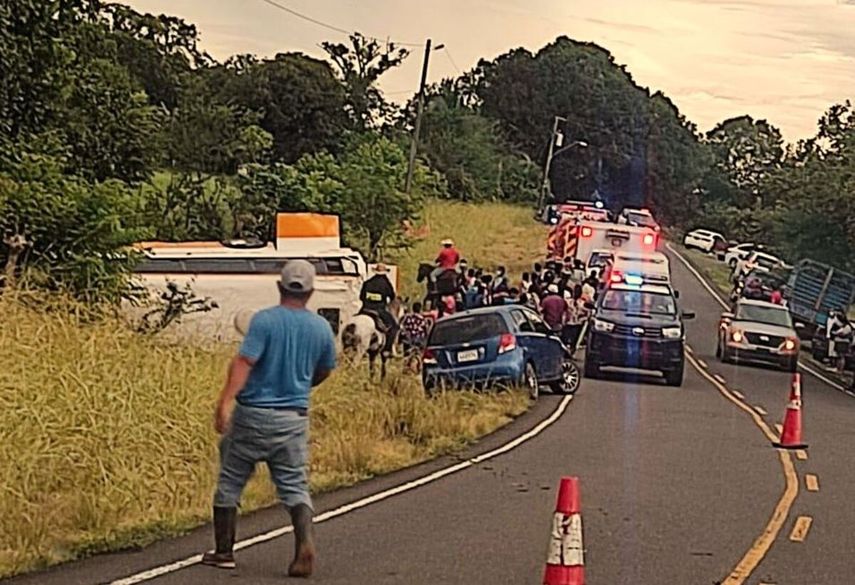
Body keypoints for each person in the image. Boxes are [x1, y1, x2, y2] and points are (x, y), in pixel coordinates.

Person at [203, 260, 336, 577]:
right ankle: (304, 543)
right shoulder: (320, 328)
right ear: (310, 291)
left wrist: (224, 401)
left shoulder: (264, 321)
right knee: (294, 485)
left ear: (281, 286)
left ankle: (224, 552)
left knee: (231, 480)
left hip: (253, 414)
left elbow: (245, 362)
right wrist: (305, 383)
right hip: (293, 417)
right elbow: (326, 368)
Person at [359, 263, 399, 351]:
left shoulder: (367, 282)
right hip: (379, 310)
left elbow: (361, 297)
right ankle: (387, 350)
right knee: (394, 327)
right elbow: (392, 296)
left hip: (365, 309)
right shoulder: (386, 283)